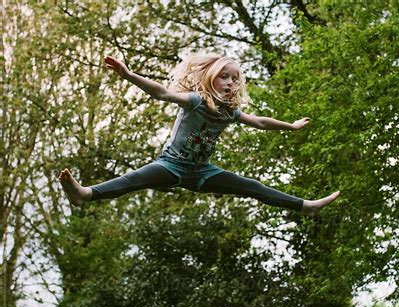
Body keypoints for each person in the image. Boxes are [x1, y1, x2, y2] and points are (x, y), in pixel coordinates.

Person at [59, 53, 339, 215]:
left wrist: (289, 126)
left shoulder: (230, 113)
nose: (230, 82)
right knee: (134, 179)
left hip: (203, 173)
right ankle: (85, 194)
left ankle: (305, 206)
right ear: (211, 78)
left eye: (234, 78)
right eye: (224, 76)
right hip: (170, 165)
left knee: (252, 186)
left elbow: (261, 122)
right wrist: (129, 75)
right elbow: (162, 92)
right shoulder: (195, 101)